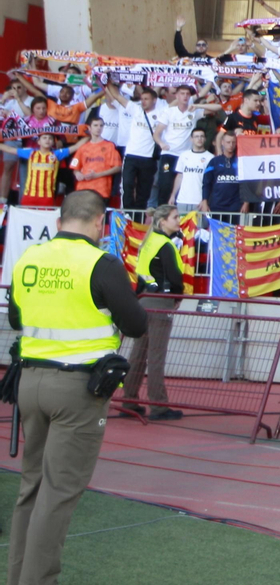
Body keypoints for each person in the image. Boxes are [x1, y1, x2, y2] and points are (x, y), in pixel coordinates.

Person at [8, 191, 148, 585]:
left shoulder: (29, 258)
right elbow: (136, 325)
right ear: (100, 223)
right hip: (77, 389)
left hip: (29, 383)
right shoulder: (101, 263)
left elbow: (17, 318)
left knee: (31, 488)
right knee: (57, 494)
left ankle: (19, 577)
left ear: (59, 221)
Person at [122, 203, 186, 421]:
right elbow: (175, 277)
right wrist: (177, 297)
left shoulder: (148, 242)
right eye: (175, 217)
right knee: (156, 355)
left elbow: (141, 276)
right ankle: (158, 406)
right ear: (163, 222)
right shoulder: (166, 245)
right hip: (161, 303)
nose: (178, 221)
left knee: (138, 354)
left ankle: (129, 400)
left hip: (144, 301)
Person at [67, 117, 121, 201]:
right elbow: (75, 167)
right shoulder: (83, 147)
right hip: (83, 189)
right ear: (89, 128)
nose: (99, 128)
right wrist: (77, 174)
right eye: (95, 125)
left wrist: (97, 175)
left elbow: (118, 167)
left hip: (101, 189)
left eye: (101, 125)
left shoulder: (110, 146)